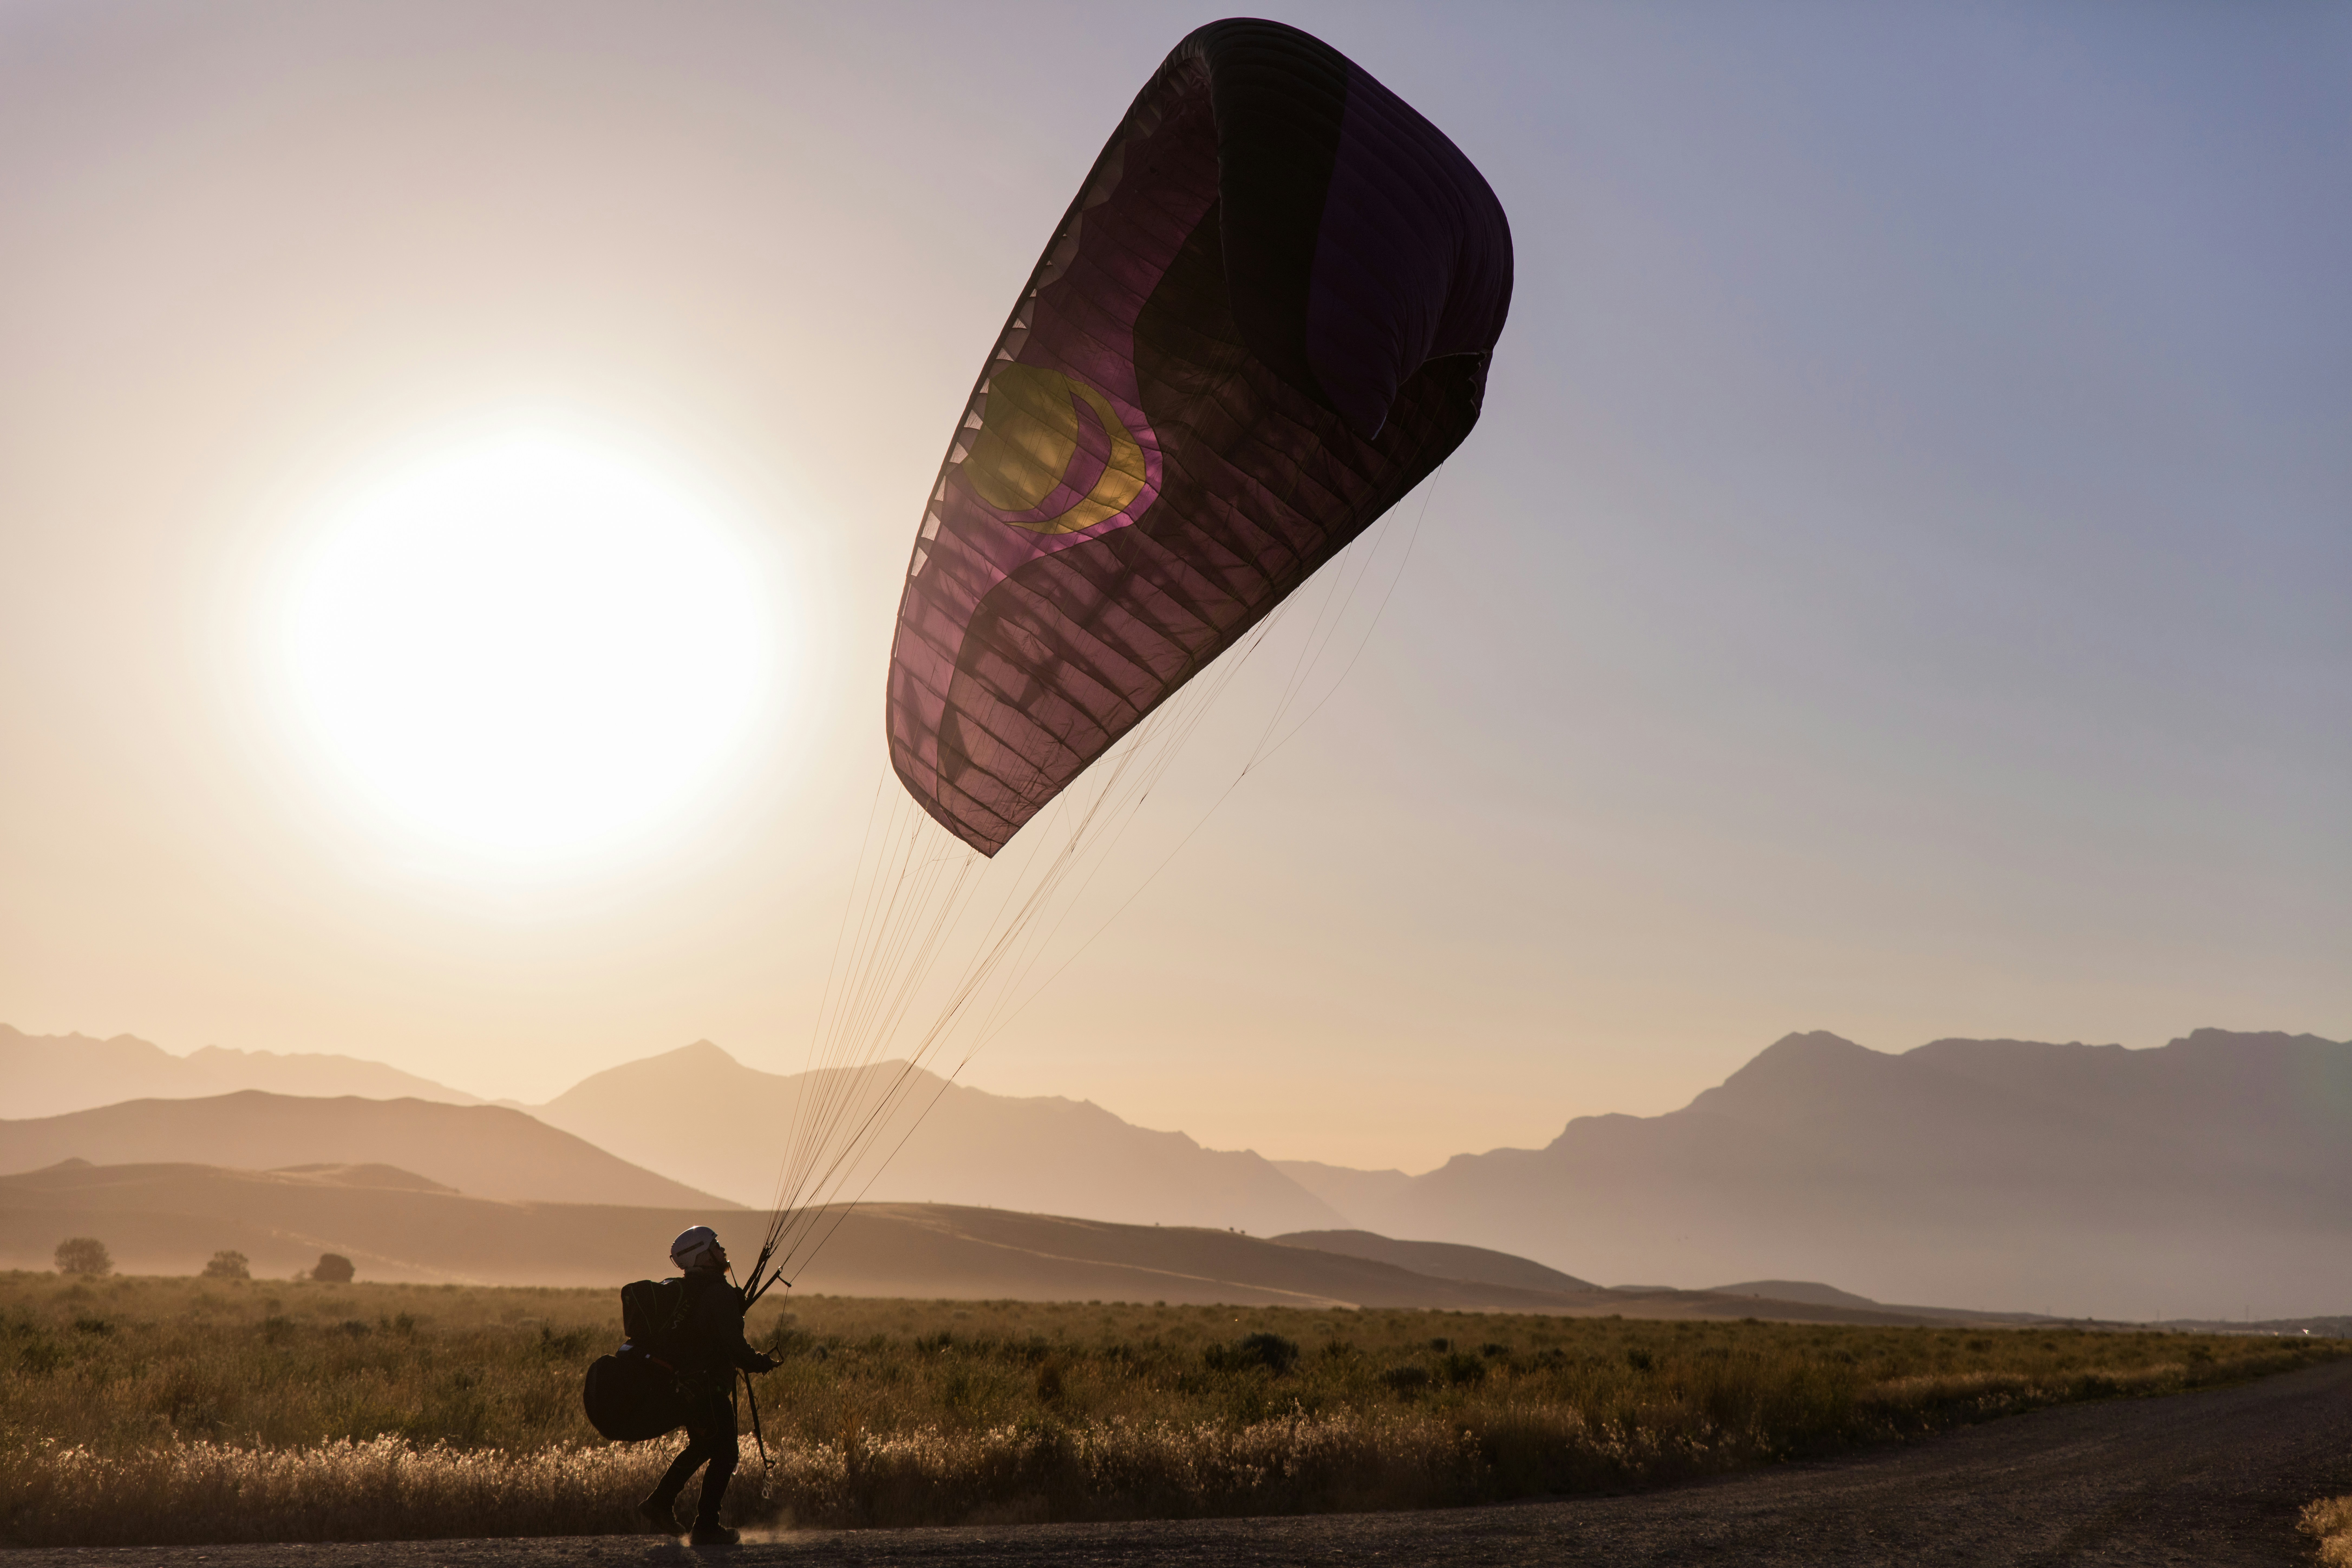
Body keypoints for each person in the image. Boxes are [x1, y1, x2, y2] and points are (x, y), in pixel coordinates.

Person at [637, 1226, 778, 1544]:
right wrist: (760, 1362)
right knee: (726, 1453)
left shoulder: (692, 1290)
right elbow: (733, 1344)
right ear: (703, 1255)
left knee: (704, 1446)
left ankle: (660, 1502)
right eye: (716, 1245)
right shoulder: (717, 1293)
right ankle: (706, 1526)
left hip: (687, 1388)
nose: (723, 1250)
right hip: (707, 1389)